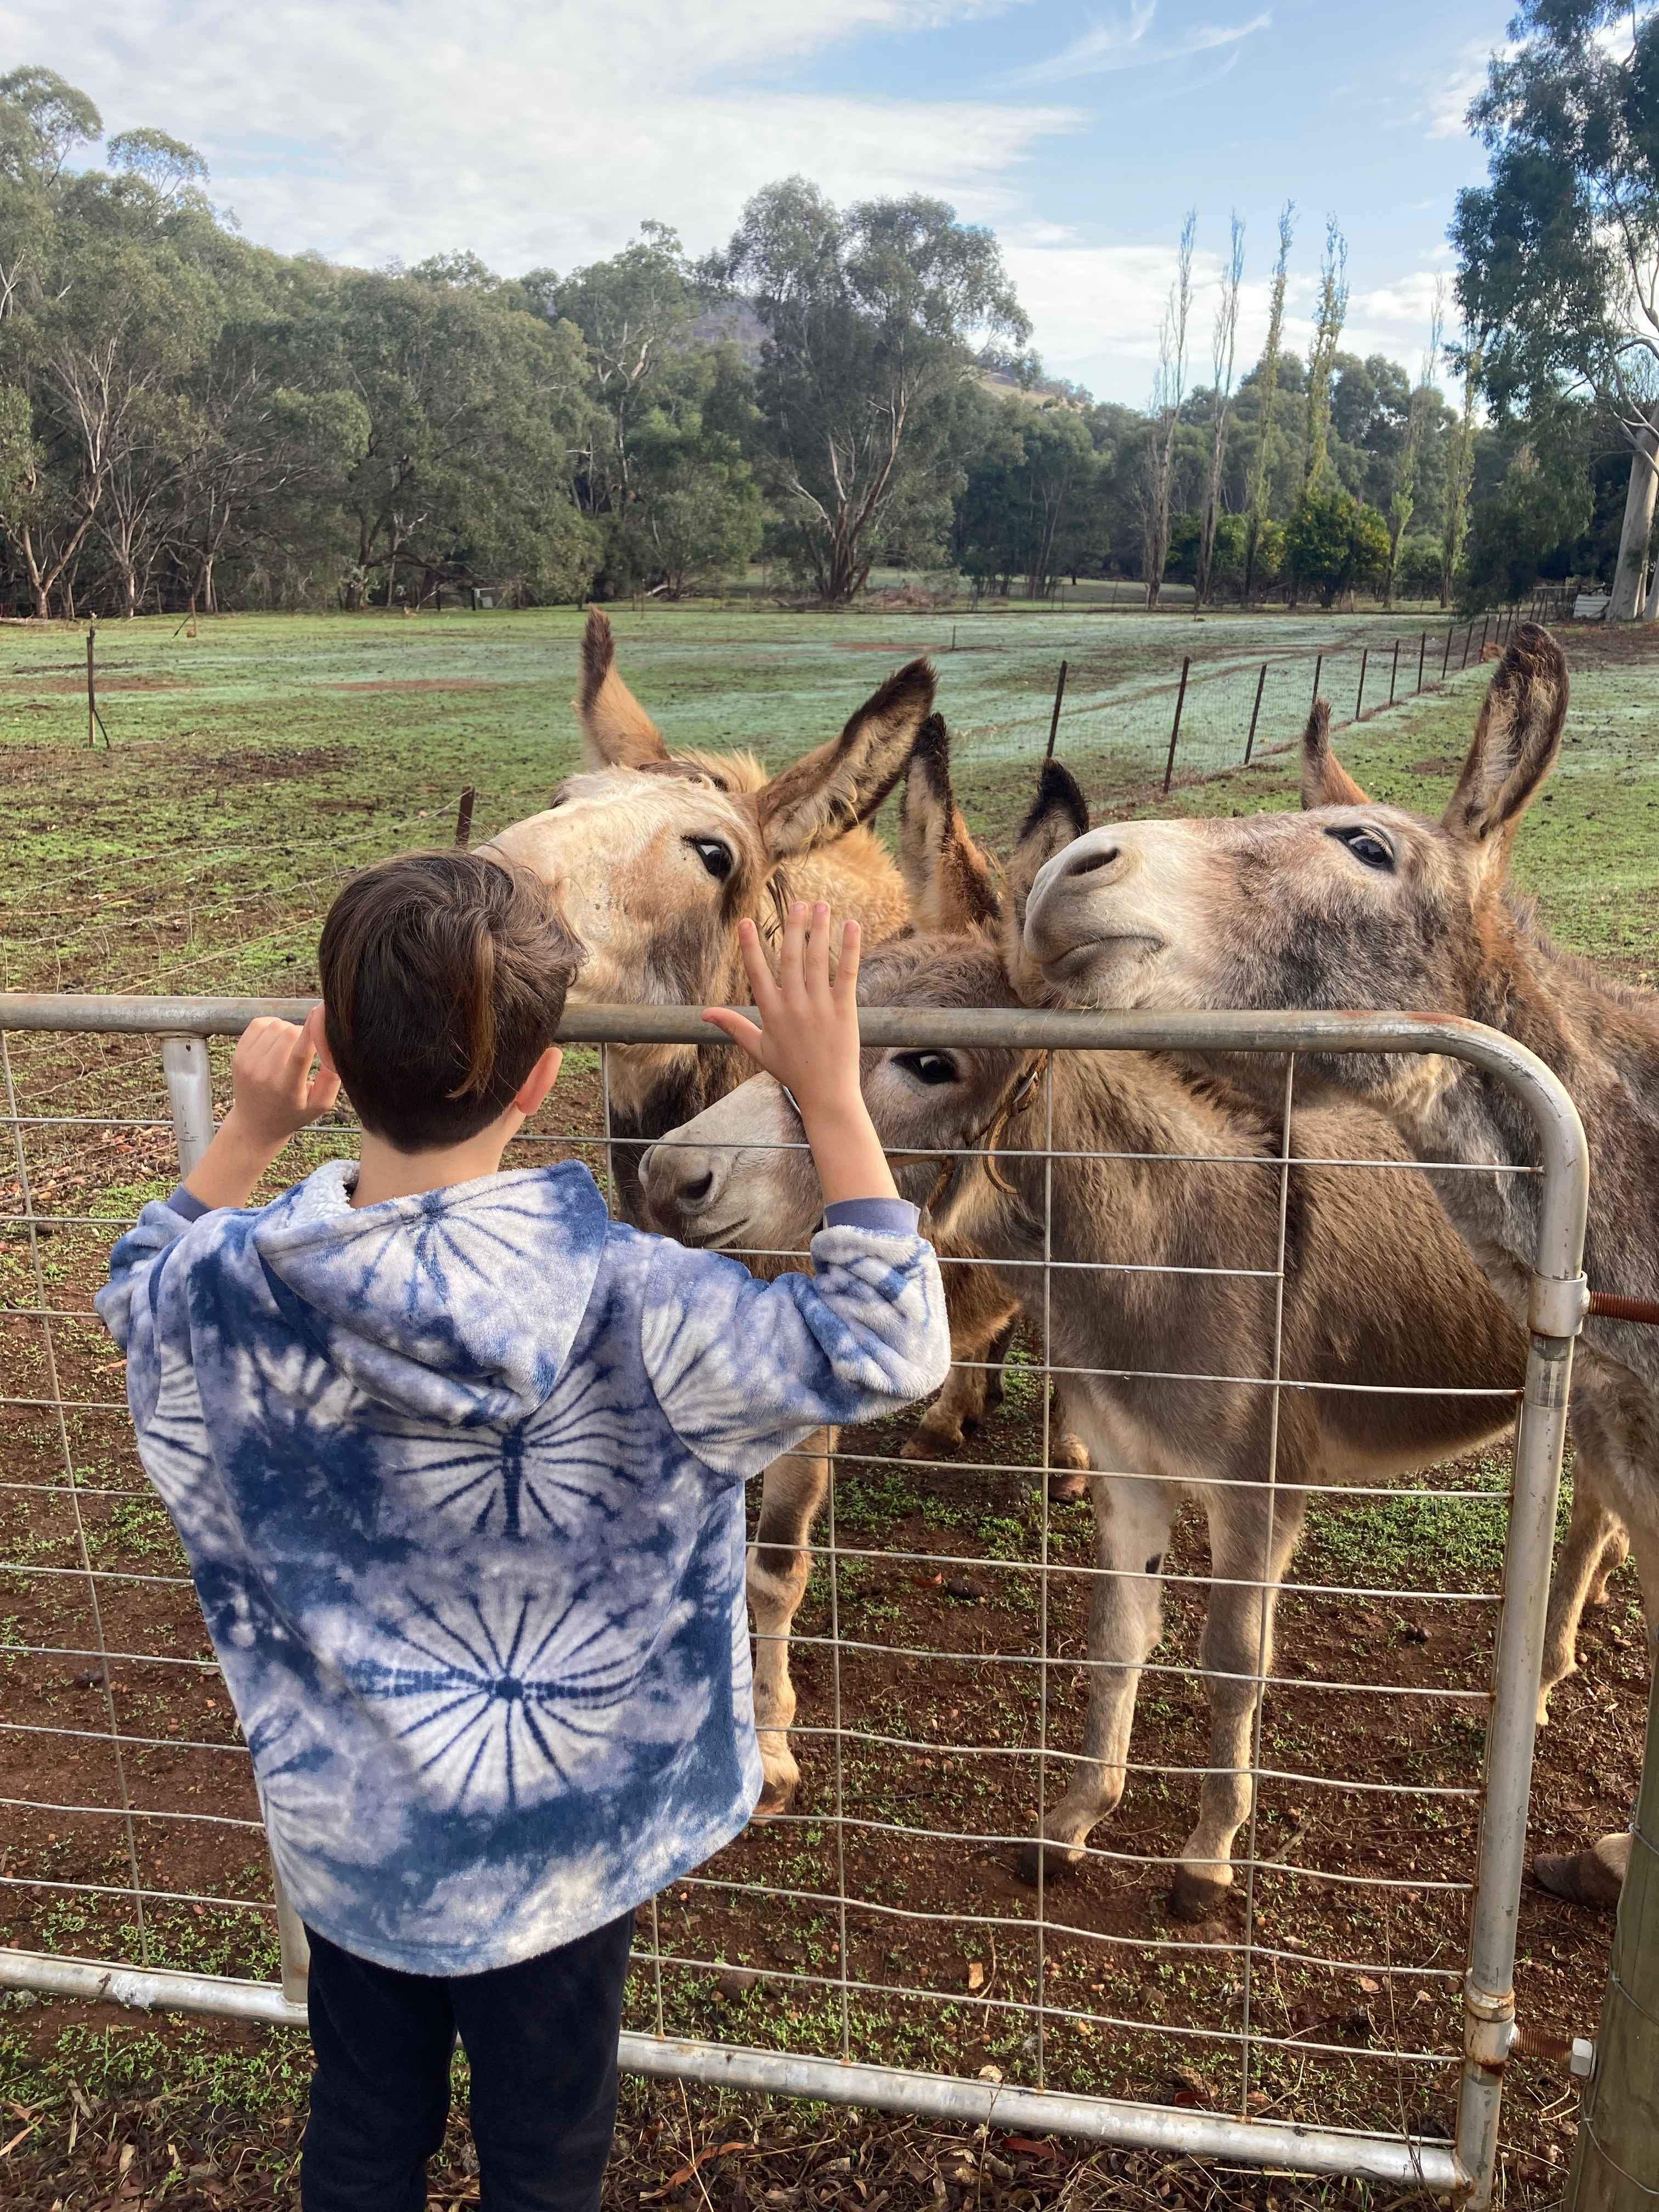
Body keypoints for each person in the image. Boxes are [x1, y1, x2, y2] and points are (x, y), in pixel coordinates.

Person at [97, 851, 950, 2212]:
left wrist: (249, 1133)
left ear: (331, 1049)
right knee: (548, 2151)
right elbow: (887, 1347)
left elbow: (136, 1280)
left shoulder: (226, 1293)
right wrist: (832, 1099)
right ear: (546, 1078)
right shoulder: (647, 1305)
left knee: (363, 2123)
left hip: (357, 1844)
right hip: (566, 1845)